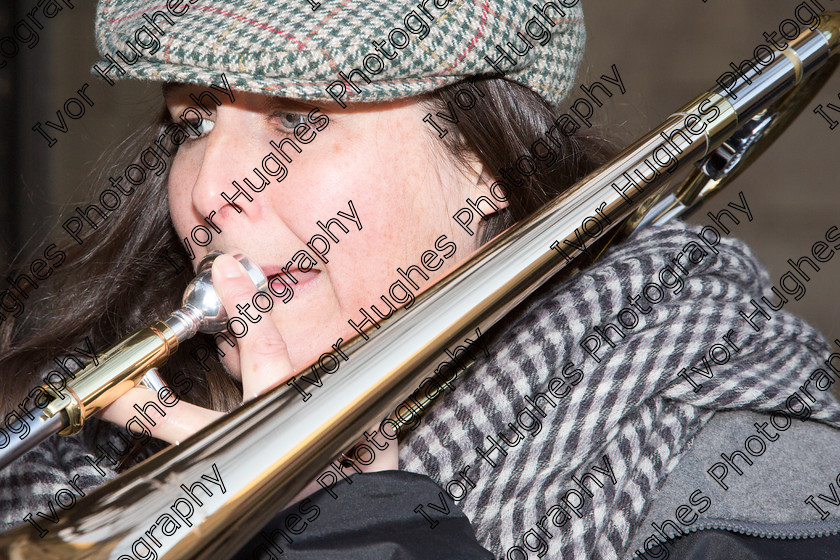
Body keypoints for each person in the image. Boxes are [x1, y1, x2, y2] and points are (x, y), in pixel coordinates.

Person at [1, 0, 840, 558]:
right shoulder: (78, 465)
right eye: (194, 122)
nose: (212, 190)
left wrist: (359, 522)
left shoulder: (767, 492)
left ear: (480, 162)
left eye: (299, 119)